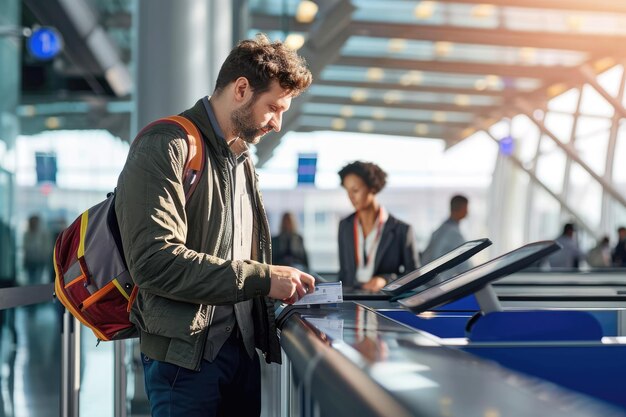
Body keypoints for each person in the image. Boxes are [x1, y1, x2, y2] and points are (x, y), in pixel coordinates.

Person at [114, 34, 314, 417]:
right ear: (241, 89)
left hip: (238, 354)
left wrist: (274, 278)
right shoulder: (167, 144)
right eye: (273, 107)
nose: (277, 123)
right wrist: (262, 277)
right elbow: (154, 261)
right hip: (185, 361)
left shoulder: (242, 161)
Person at [337, 161, 419, 292]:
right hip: (350, 299)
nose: (351, 197)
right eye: (347, 191)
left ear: (372, 188)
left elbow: (414, 276)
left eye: (355, 190)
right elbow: (343, 273)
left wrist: (386, 280)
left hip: (382, 300)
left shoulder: (402, 230)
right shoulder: (344, 226)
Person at [421, 195, 469, 266]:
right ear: (461, 208)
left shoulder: (442, 229)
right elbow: (464, 263)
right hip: (444, 276)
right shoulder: (453, 233)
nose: (467, 212)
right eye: (466, 208)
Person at [22, 214, 51, 285]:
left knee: (38, 281)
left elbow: (47, 249)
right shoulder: (27, 234)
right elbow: (25, 249)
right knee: (30, 281)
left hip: (40, 261)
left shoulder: (44, 234)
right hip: (30, 262)